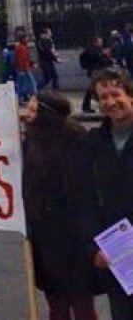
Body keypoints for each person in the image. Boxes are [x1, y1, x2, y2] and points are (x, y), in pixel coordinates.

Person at [22, 92, 101, 320]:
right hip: (44, 231)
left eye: (34, 110)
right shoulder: (31, 143)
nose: (28, 115)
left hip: (72, 231)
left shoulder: (75, 141)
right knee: (56, 299)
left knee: (80, 298)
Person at [76, 68, 133, 319]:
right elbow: (84, 198)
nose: (110, 102)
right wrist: (92, 248)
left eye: (115, 94)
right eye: (103, 97)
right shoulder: (94, 142)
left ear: (130, 96)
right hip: (117, 256)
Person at [79, 36, 113, 113]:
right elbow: (98, 60)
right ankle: (87, 106)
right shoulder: (92, 50)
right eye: (100, 41)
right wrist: (105, 56)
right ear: (95, 42)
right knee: (93, 89)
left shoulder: (96, 50)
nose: (101, 43)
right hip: (96, 71)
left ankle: (89, 106)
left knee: (95, 89)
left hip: (97, 71)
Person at [14, 31, 37, 104]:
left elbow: (26, 58)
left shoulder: (23, 47)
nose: (28, 39)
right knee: (31, 84)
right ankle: (29, 97)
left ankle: (22, 98)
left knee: (22, 84)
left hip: (23, 69)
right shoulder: (21, 48)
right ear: (23, 39)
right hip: (24, 69)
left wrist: (31, 64)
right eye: (26, 38)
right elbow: (21, 59)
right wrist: (22, 70)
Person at [36, 27, 60, 91]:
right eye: (49, 32)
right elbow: (48, 51)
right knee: (48, 78)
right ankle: (36, 90)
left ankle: (55, 92)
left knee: (53, 77)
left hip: (47, 61)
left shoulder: (44, 40)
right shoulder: (44, 41)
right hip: (46, 62)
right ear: (46, 33)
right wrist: (55, 59)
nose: (51, 33)